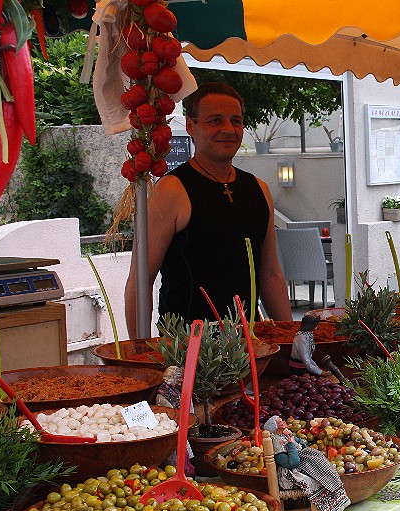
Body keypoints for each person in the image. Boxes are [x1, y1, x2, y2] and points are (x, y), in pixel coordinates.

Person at [124, 82, 292, 336]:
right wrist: (139, 352)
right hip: (186, 350)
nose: (228, 129)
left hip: (247, 345)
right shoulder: (170, 190)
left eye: (236, 121)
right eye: (215, 121)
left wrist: (292, 337)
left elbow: (270, 275)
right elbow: (141, 280)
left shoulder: (259, 189)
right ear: (191, 126)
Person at [264, 415, 350, 511]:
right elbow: (293, 462)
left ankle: (338, 499)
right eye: (280, 422)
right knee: (317, 475)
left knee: (321, 463)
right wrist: (291, 443)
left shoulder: (284, 436)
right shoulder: (277, 446)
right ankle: (330, 505)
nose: (283, 422)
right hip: (290, 473)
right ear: (275, 427)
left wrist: (292, 437)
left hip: (301, 463)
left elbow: (302, 445)